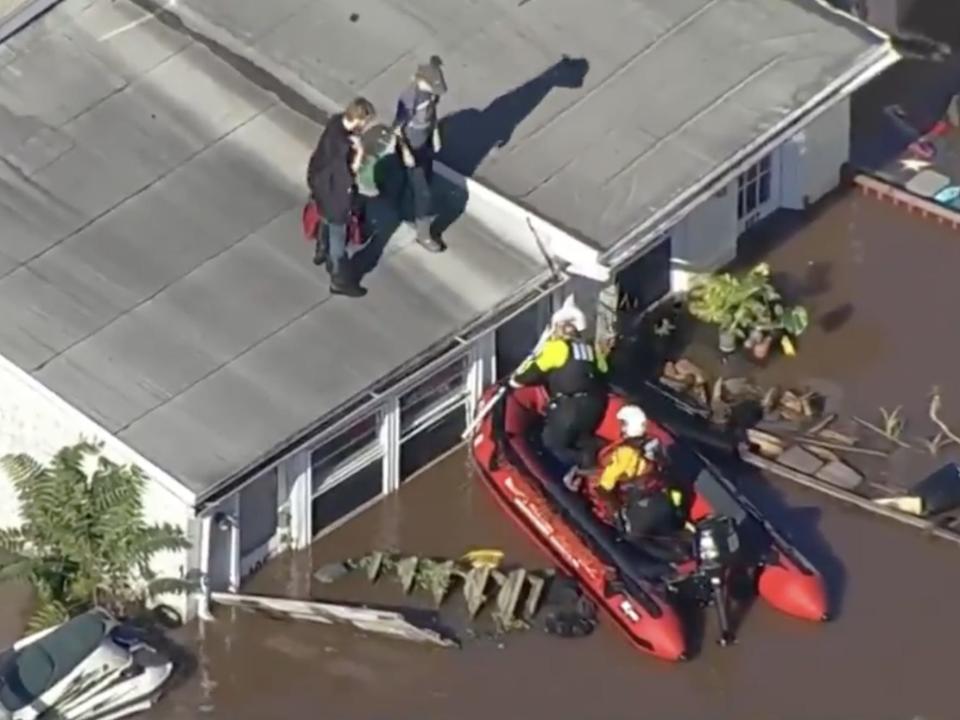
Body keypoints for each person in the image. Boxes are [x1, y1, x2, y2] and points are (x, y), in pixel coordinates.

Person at [510, 302, 609, 481]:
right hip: (595, 403)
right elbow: (602, 371)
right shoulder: (589, 348)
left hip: (571, 406)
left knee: (552, 442)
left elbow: (530, 373)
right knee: (580, 436)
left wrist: (516, 380)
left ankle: (582, 466)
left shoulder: (558, 347)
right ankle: (599, 451)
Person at [307, 97, 376, 297]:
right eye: (365, 122)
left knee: (324, 220)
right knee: (338, 236)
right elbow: (350, 172)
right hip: (335, 196)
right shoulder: (345, 146)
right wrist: (360, 151)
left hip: (319, 185)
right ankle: (339, 279)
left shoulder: (335, 123)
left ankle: (321, 250)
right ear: (359, 120)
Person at [594, 405, 685, 540]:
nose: (621, 427)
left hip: (642, 512)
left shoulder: (625, 453)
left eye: (623, 424)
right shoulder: (655, 444)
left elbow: (605, 486)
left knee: (628, 535)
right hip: (664, 503)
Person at [392, 56, 447, 253]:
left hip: (424, 146)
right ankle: (424, 235)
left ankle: (405, 207)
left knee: (420, 183)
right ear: (423, 81)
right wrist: (406, 152)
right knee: (423, 193)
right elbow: (397, 129)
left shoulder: (430, 96)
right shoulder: (410, 98)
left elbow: (432, 114)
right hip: (411, 149)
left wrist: (436, 134)